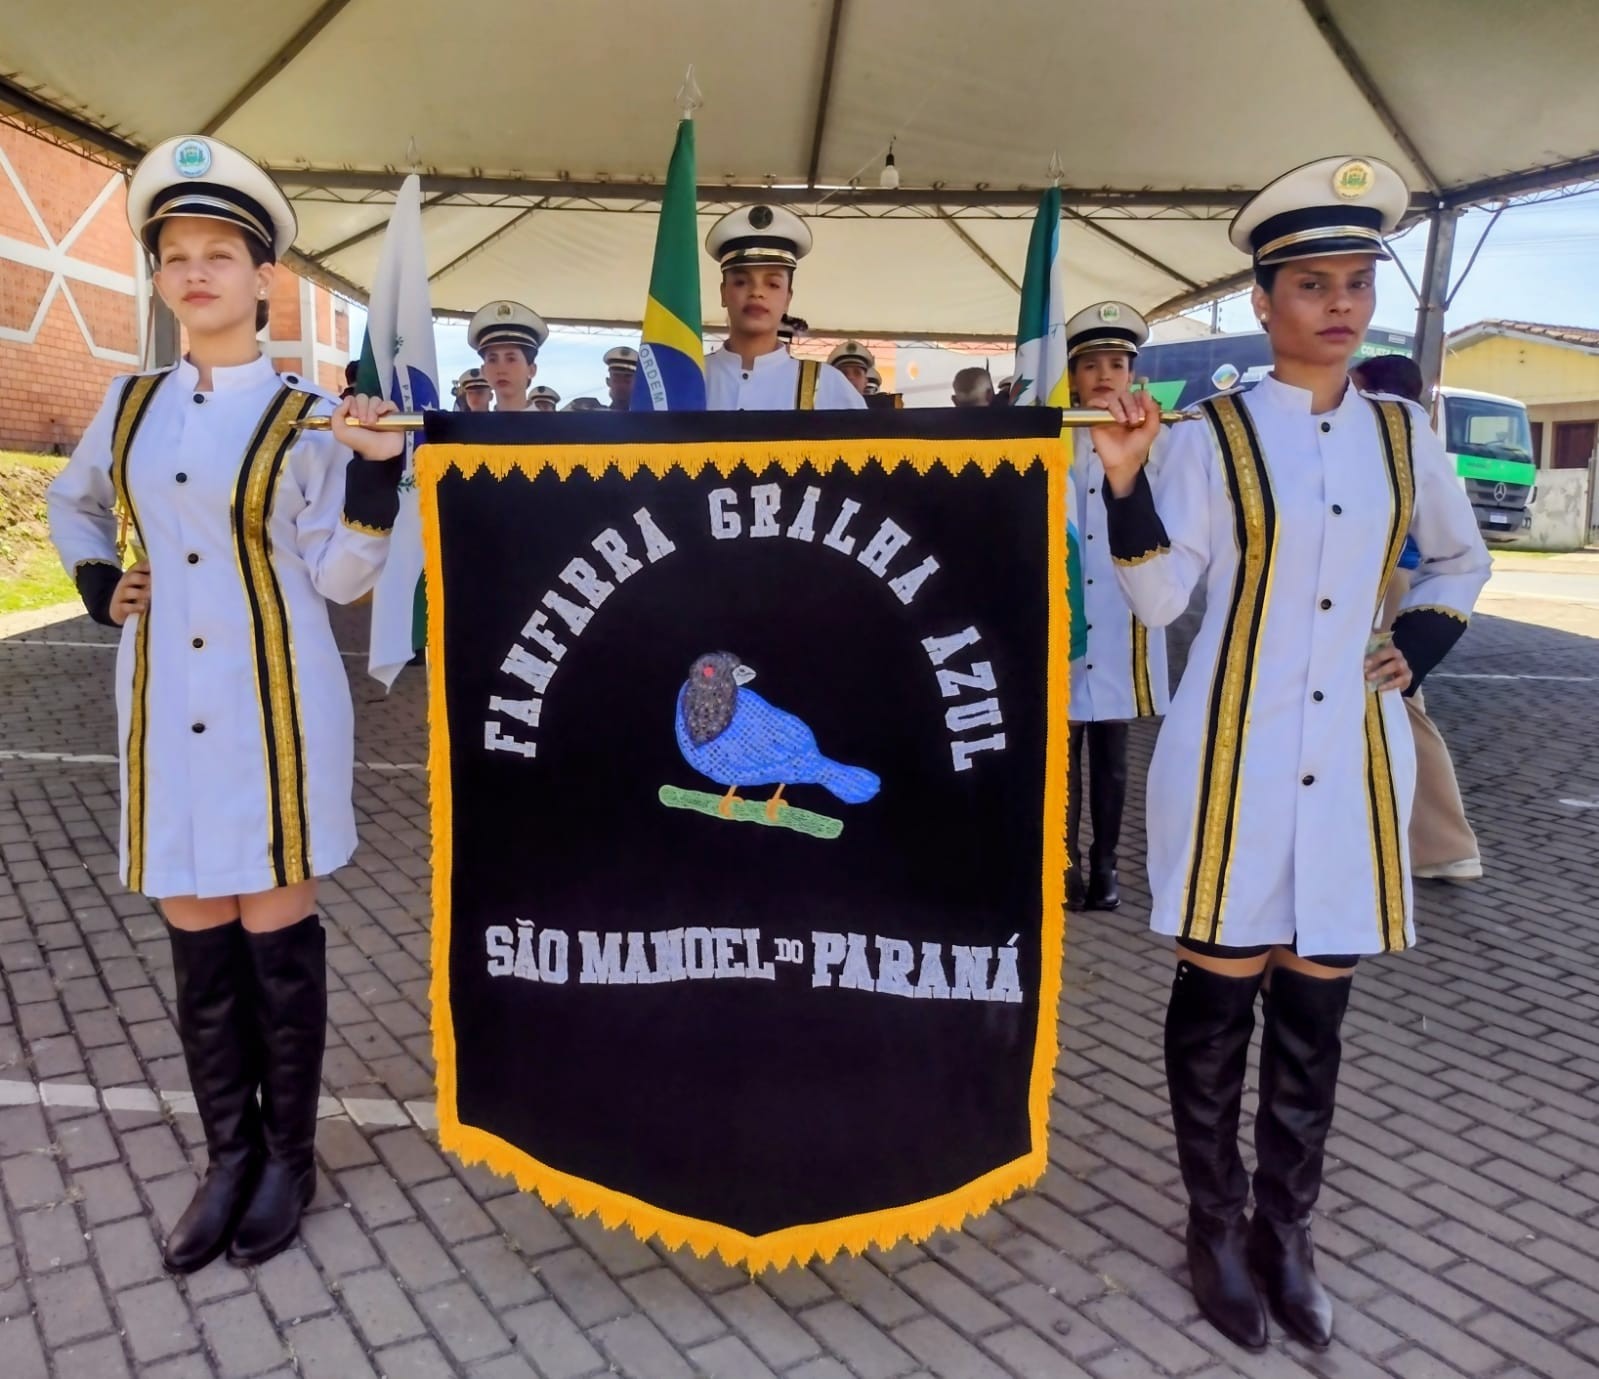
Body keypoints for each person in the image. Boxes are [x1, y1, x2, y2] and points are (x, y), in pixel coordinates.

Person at [1092, 156, 1490, 1352]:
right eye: (1313, 283)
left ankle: (1287, 1229)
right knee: (1216, 1007)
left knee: (1315, 1017)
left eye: (1357, 281)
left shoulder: (1404, 432)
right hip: (1232, 760)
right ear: (1263, 302)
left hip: (1356, 765)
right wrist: (1126, 484)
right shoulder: (1211, 435)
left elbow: (1460, 558)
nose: (1341, 303)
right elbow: (1159, 599)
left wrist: (1417, 644)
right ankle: (1213, 1224)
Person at [46, 135, 405, 1274]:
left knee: (275, 939)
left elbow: (339, 576)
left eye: (219, 254)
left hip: (276, 705)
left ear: (263, 277)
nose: (195, 272)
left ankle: (288, 1159)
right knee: (197, 936)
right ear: (159, 278)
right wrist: (99, 581)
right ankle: (227, 1155)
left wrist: (374, 475)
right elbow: (73, 501)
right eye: (176, 256)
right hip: (162, 703)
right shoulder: (129, 402)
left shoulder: (309, 415)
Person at [1350, 353, 1482, 880]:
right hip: (1393, 583)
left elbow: (1459, 555)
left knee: (1394, 700)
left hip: (1389, 584)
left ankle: (1444, 846)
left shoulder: (1392, 433)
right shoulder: (1402, 433)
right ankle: (1439, 846)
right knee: (1396, 703)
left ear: (1370, 390)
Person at [1064, 302, 1170, 912]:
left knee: (1111, 751)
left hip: (1124, 614)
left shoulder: (1160, 441)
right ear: (1073, 375)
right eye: (1091, 365)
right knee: (1065, 749)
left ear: (1132, 373)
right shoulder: (1056, 438)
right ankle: (1065, 863)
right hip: (1069, 612)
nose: (1104, 375)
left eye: (1116, 364)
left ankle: (1105, 866)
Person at [703, 206, 865, 411]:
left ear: (788, 298)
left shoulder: (828, 386)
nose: (756, 292)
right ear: (723, 293)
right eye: (741, 282)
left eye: (772, 284)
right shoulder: (690, 378)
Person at [466, 300, 548, 411]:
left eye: (511, 359)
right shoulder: (472, 424)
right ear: (484, 371)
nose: (501, 369)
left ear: (531, 370)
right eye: (492, 360)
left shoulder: (553, 423)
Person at [603, 345, 638, 410]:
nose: (621, 385)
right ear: (608, 382)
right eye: (616, 380)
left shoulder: (650, 415)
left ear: (637, 384)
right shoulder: (596, 415)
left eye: (627, 381)